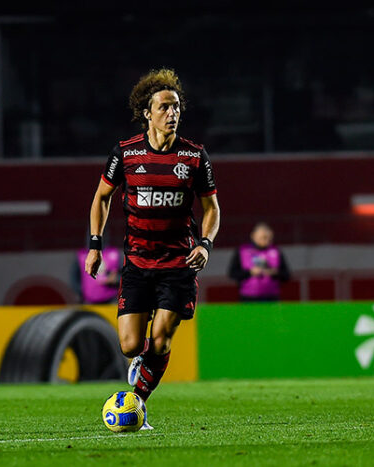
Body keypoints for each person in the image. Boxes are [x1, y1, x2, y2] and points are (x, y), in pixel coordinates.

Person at [85, 68, 220, 427]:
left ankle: (137, 404)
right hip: (137, 263)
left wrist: (205, 244)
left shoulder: (194, 157)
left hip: (178, 262)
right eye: (164, 107)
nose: (172, 113)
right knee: (131, 345)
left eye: (176, 107)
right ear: (147, 112)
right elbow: (101, 198)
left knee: (160, 341)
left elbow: (211, 208)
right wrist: (95, 246)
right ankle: (140, 366)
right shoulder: (126, 153)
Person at [228, 222, 290, 301]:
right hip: (248, 298)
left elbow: (286, 275)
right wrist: (250, 272)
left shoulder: (276, 251)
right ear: (253, 236)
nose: (266, 240)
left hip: (271, 298)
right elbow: (232, 273)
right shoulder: (242, 251)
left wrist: (274, 273)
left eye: (269, 238)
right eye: (263, 237)